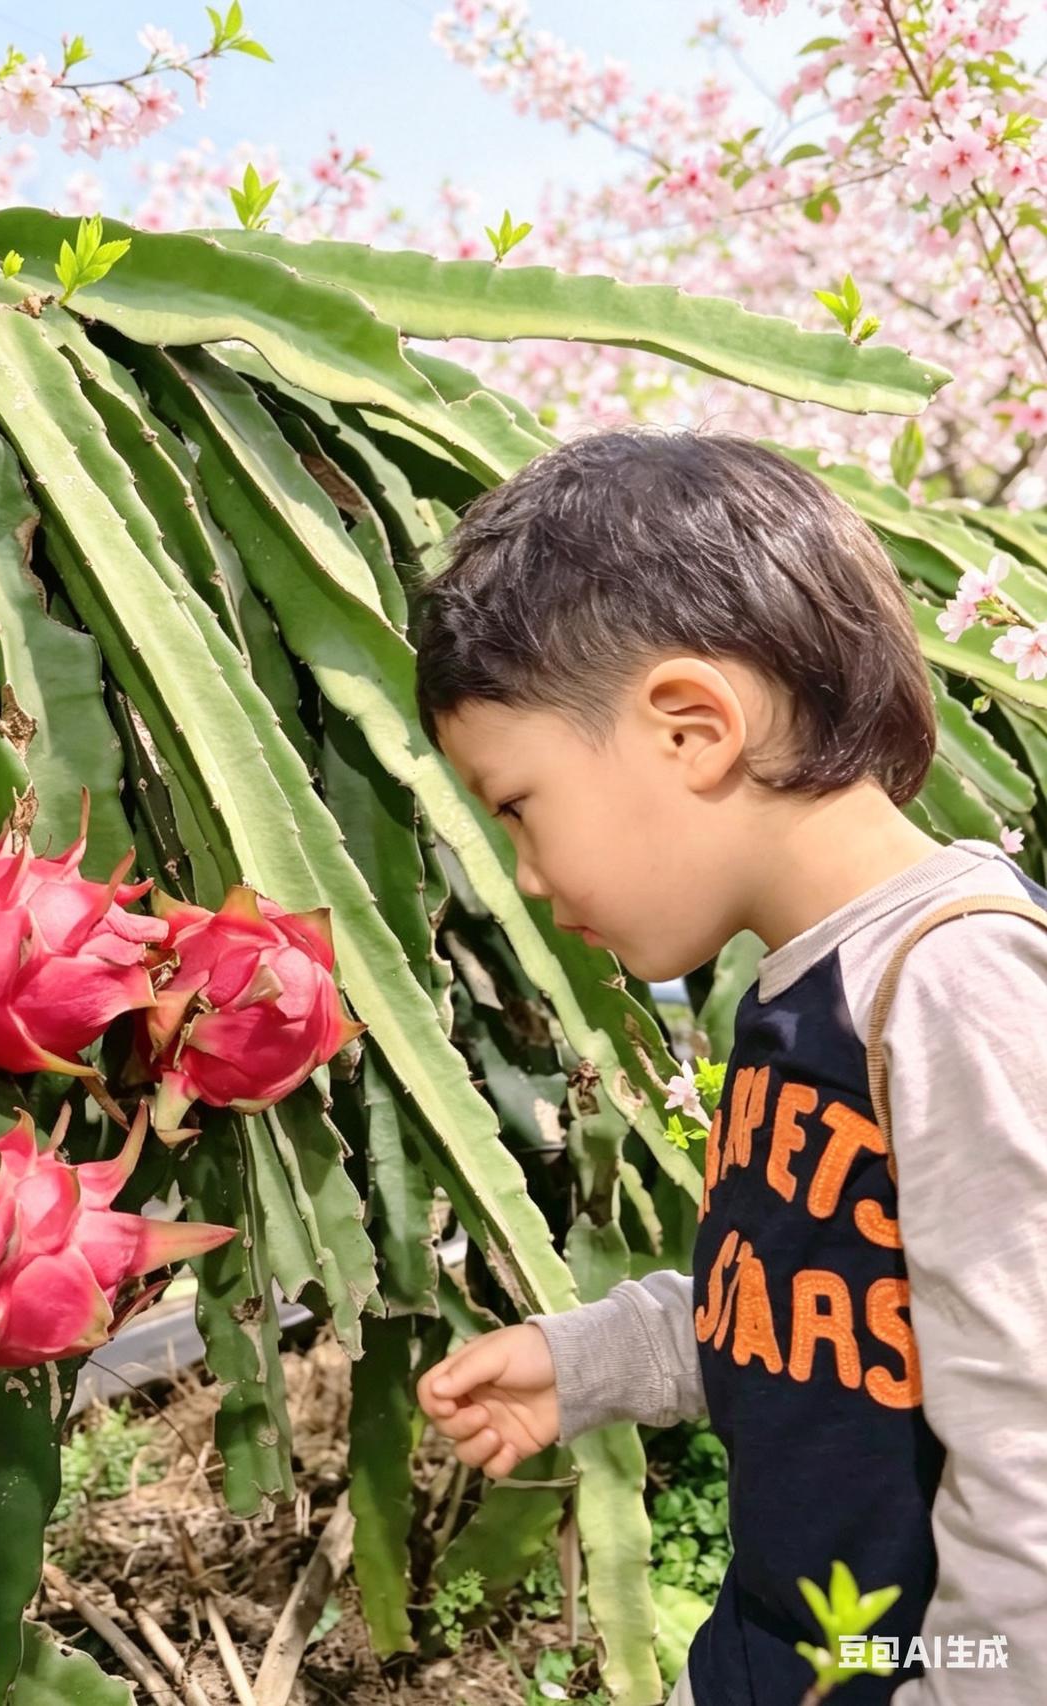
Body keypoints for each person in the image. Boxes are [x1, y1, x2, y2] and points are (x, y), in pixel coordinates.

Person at [410, 428, 1047, 1706]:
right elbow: (812, 1297)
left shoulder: (953, 986)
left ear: (690, 727)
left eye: (518, 803)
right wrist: (591, 1357)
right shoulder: (800, 987)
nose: (523, 875)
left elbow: (1028, 1448)